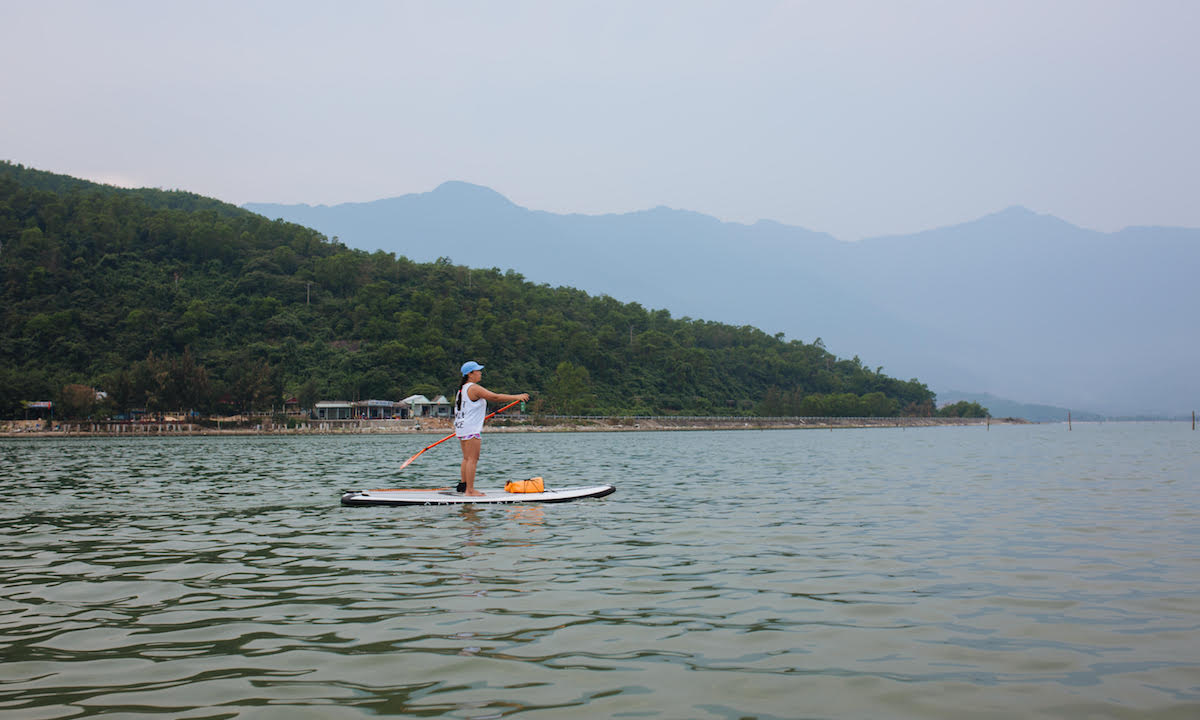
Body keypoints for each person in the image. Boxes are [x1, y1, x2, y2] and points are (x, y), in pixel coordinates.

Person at [453, 361, 529, 496]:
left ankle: (464, 486)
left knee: (466, 458)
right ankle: (470, 490)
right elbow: (495, 397)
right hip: (470, 429)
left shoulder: (462, 389)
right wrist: (517, 397)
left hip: (461, 428)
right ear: (470, 374)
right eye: (478, 371)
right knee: (472, 459)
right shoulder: (473, 388)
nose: (480, 373)